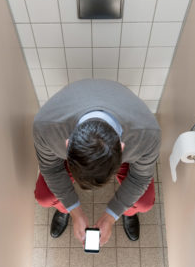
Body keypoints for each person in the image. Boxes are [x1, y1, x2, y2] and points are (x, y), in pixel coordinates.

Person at [33, 79, 161, 246]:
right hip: (74, 135)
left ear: (122, 149)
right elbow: (51, 169)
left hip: (125, 134)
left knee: (144, 203)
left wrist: (112, 215)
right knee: (44, 197)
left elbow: (140, 178)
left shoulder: (147, 136)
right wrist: (74, 209)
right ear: (67, 144)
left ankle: (128, 213)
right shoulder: (46, 129)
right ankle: (63, 209)